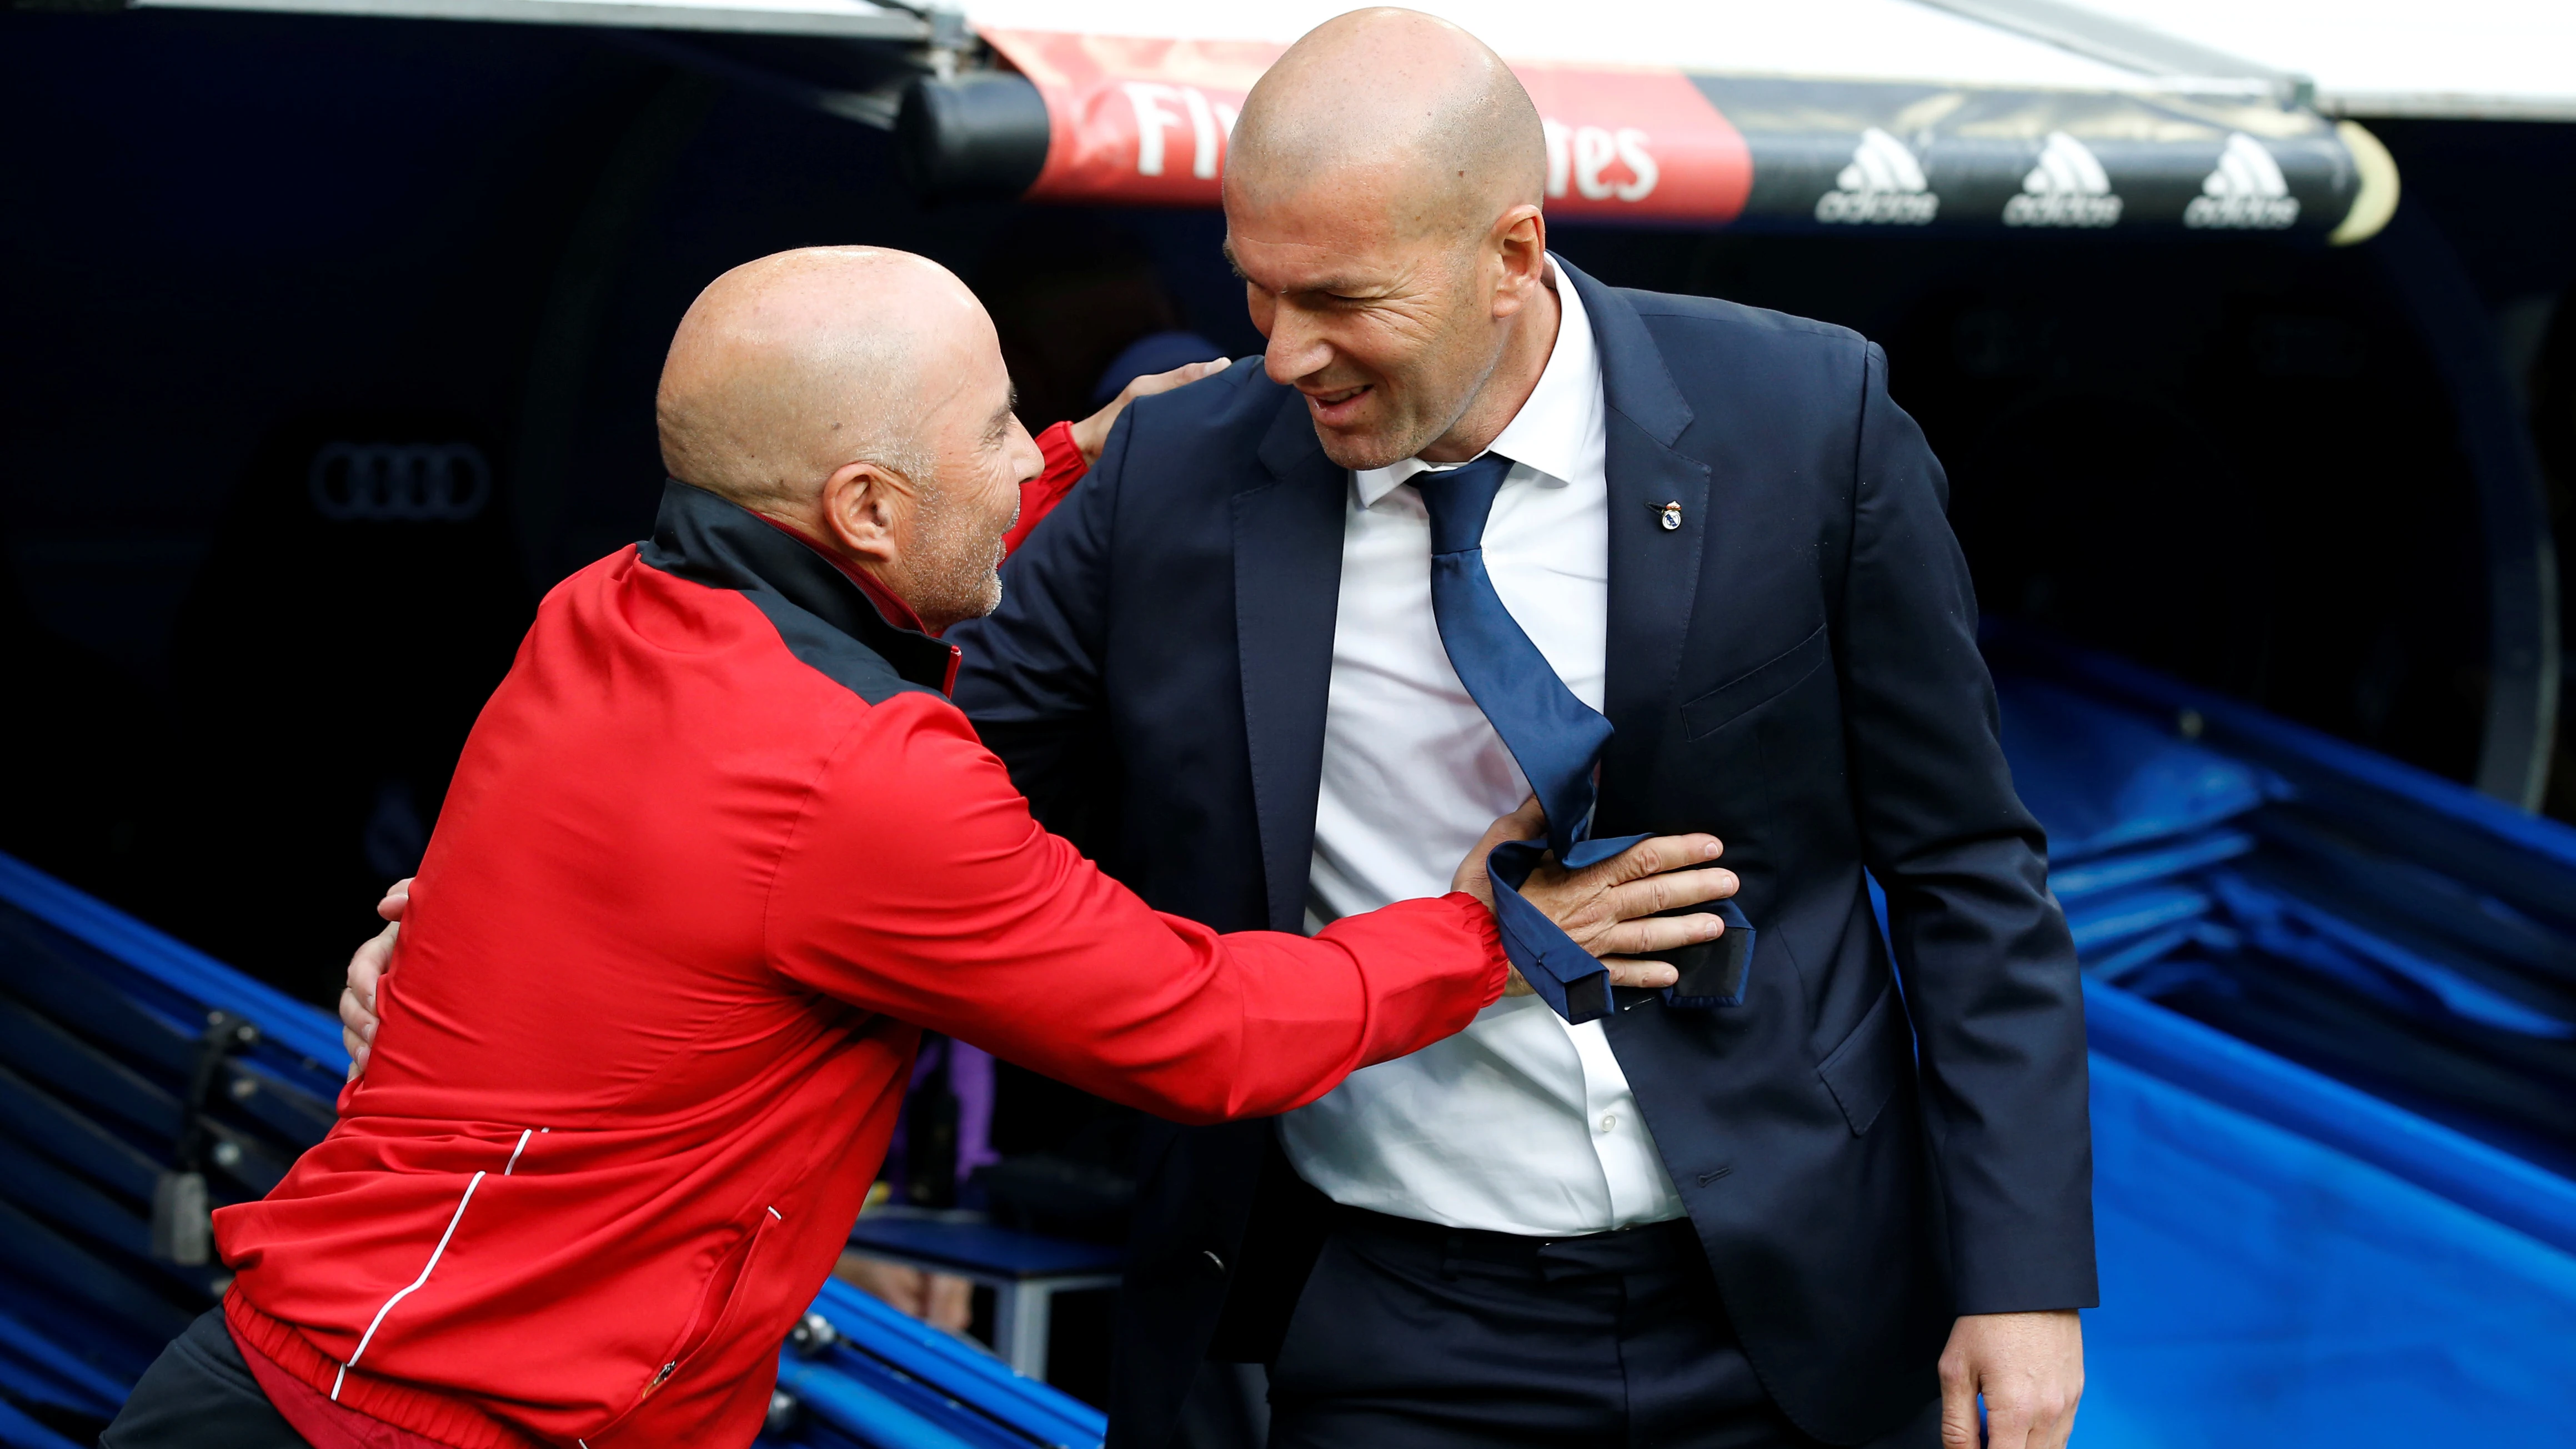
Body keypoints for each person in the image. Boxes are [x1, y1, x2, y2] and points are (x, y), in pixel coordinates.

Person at [103, 245, 1736, 1449]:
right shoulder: (858, 780)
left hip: (312, 1379)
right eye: (997, 431)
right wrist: (1497, 930)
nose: (1025, 453)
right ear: (872, 506)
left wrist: (1103, 446)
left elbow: (861, 575)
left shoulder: (602, 611)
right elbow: (1205, 1031)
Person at [950, 11, 2094, 1449]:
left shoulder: (1807, 421)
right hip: (1380, 1311)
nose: (1287, 355)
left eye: (1341, 299)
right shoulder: (1177, 471)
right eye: (1258, 292)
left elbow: (1967, 868)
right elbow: (924, 780)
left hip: (1792, 1294)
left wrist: (2024, 1278)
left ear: (1510, 254)